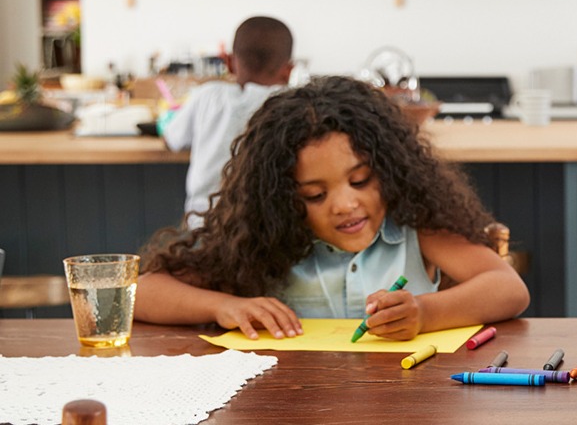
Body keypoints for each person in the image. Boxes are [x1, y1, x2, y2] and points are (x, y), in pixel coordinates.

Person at [137, 76, 530, 340]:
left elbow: (508, 289)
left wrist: (425, 314)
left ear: (390, 171)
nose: (345, 205)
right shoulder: (261, 241)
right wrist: (223, 305)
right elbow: (140, 292)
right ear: (281, 198)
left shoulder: (415, 227)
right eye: (314, 194)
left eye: (360, 181)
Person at [163, 16, 294, 224]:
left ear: (229, 63)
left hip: (202, 225)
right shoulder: (292, 104)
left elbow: (172, 138)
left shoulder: (206, 95)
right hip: (267, 229)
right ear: (288, 70)